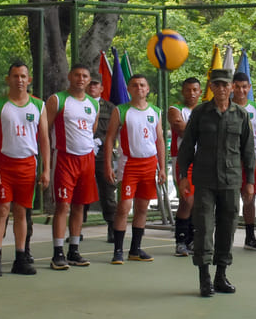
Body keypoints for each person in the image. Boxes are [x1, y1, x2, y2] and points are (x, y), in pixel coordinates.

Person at [176, 68, 255, 297]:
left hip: (231, 180)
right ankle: (204, 278)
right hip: (205, 180)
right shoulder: (200, 113)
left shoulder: (241, 115)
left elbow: (248, 151)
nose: (221, 89)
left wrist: (250, 181)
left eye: (225, 85)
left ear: (231, 87)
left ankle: (221, 275)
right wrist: (183, 176)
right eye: (217, 85)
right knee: (203, 227)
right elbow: (187, 146)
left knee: (227, 227)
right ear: (211, 87)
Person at [0, 62, 50, 276]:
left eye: (23, 76)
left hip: (28, 166)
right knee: (2, 210)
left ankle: (20, 257)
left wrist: (46, 169)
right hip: (4, 165)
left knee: (21, 212)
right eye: (15, 76)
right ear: (8, 79)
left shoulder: (38, 105)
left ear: (29, 80)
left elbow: (45, 140)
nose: (19, 80)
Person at [104, 74, 166, 264]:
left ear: (148, 89)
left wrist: (162, 168)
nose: (139, 88)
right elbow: (110, 138)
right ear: (129, 89)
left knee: (142, 207)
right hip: (129, 164)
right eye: (135, 85)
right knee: (124, 207)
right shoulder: (121, 111)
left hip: (149, 164)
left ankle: (135, 249)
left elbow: (160, 140)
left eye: (142, 85)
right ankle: (118, 250)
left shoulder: (155, 111)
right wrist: (108, 164)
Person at [46, 64, 99, 270]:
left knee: (80, 205)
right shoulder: (57, 100)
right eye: (77, 75)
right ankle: (58, 252)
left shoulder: (93, 103)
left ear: (89, 80)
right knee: (63, 206)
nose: (81, 78)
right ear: (70, 76)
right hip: (64, 158)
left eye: (85, 76)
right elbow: (45, 129)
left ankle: (74, 250)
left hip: (87, 160)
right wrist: (45, 161)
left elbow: (91, 130)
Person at [232, 71, 256, 251]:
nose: (241, 90)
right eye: (237, 87)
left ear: (249, 88)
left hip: (249, 160)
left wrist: (248, 146)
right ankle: (226, 236)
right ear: (232, 87)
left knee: (249, 198)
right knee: (228, 200)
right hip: (229, 161)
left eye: (244, 87)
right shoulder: (225, 106)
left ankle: (250, 237)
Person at [168, 77, 201, 256]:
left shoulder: (205, 109)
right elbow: (181, 129)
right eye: (188, 90)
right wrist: (204, 129)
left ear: (200, 92)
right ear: (183, 91)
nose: (191, 93)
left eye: (195, 90)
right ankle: (180, 241)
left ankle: (192, 240)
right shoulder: (175, 109)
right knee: (187, 200)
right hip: (183, 160)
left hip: (202, 160)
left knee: (198, 201)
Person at [86, 77, 117, 243]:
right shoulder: (79, 104)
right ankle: (77, 227)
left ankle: (112, 227)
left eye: (95, 84)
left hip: (103, 154)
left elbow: (114, 131)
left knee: (107, 189)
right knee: (81, 189)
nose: (92, 87)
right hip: (82, 151)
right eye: (90, 84)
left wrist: (100, 141)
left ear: (101, 88)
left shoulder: (110, 108)